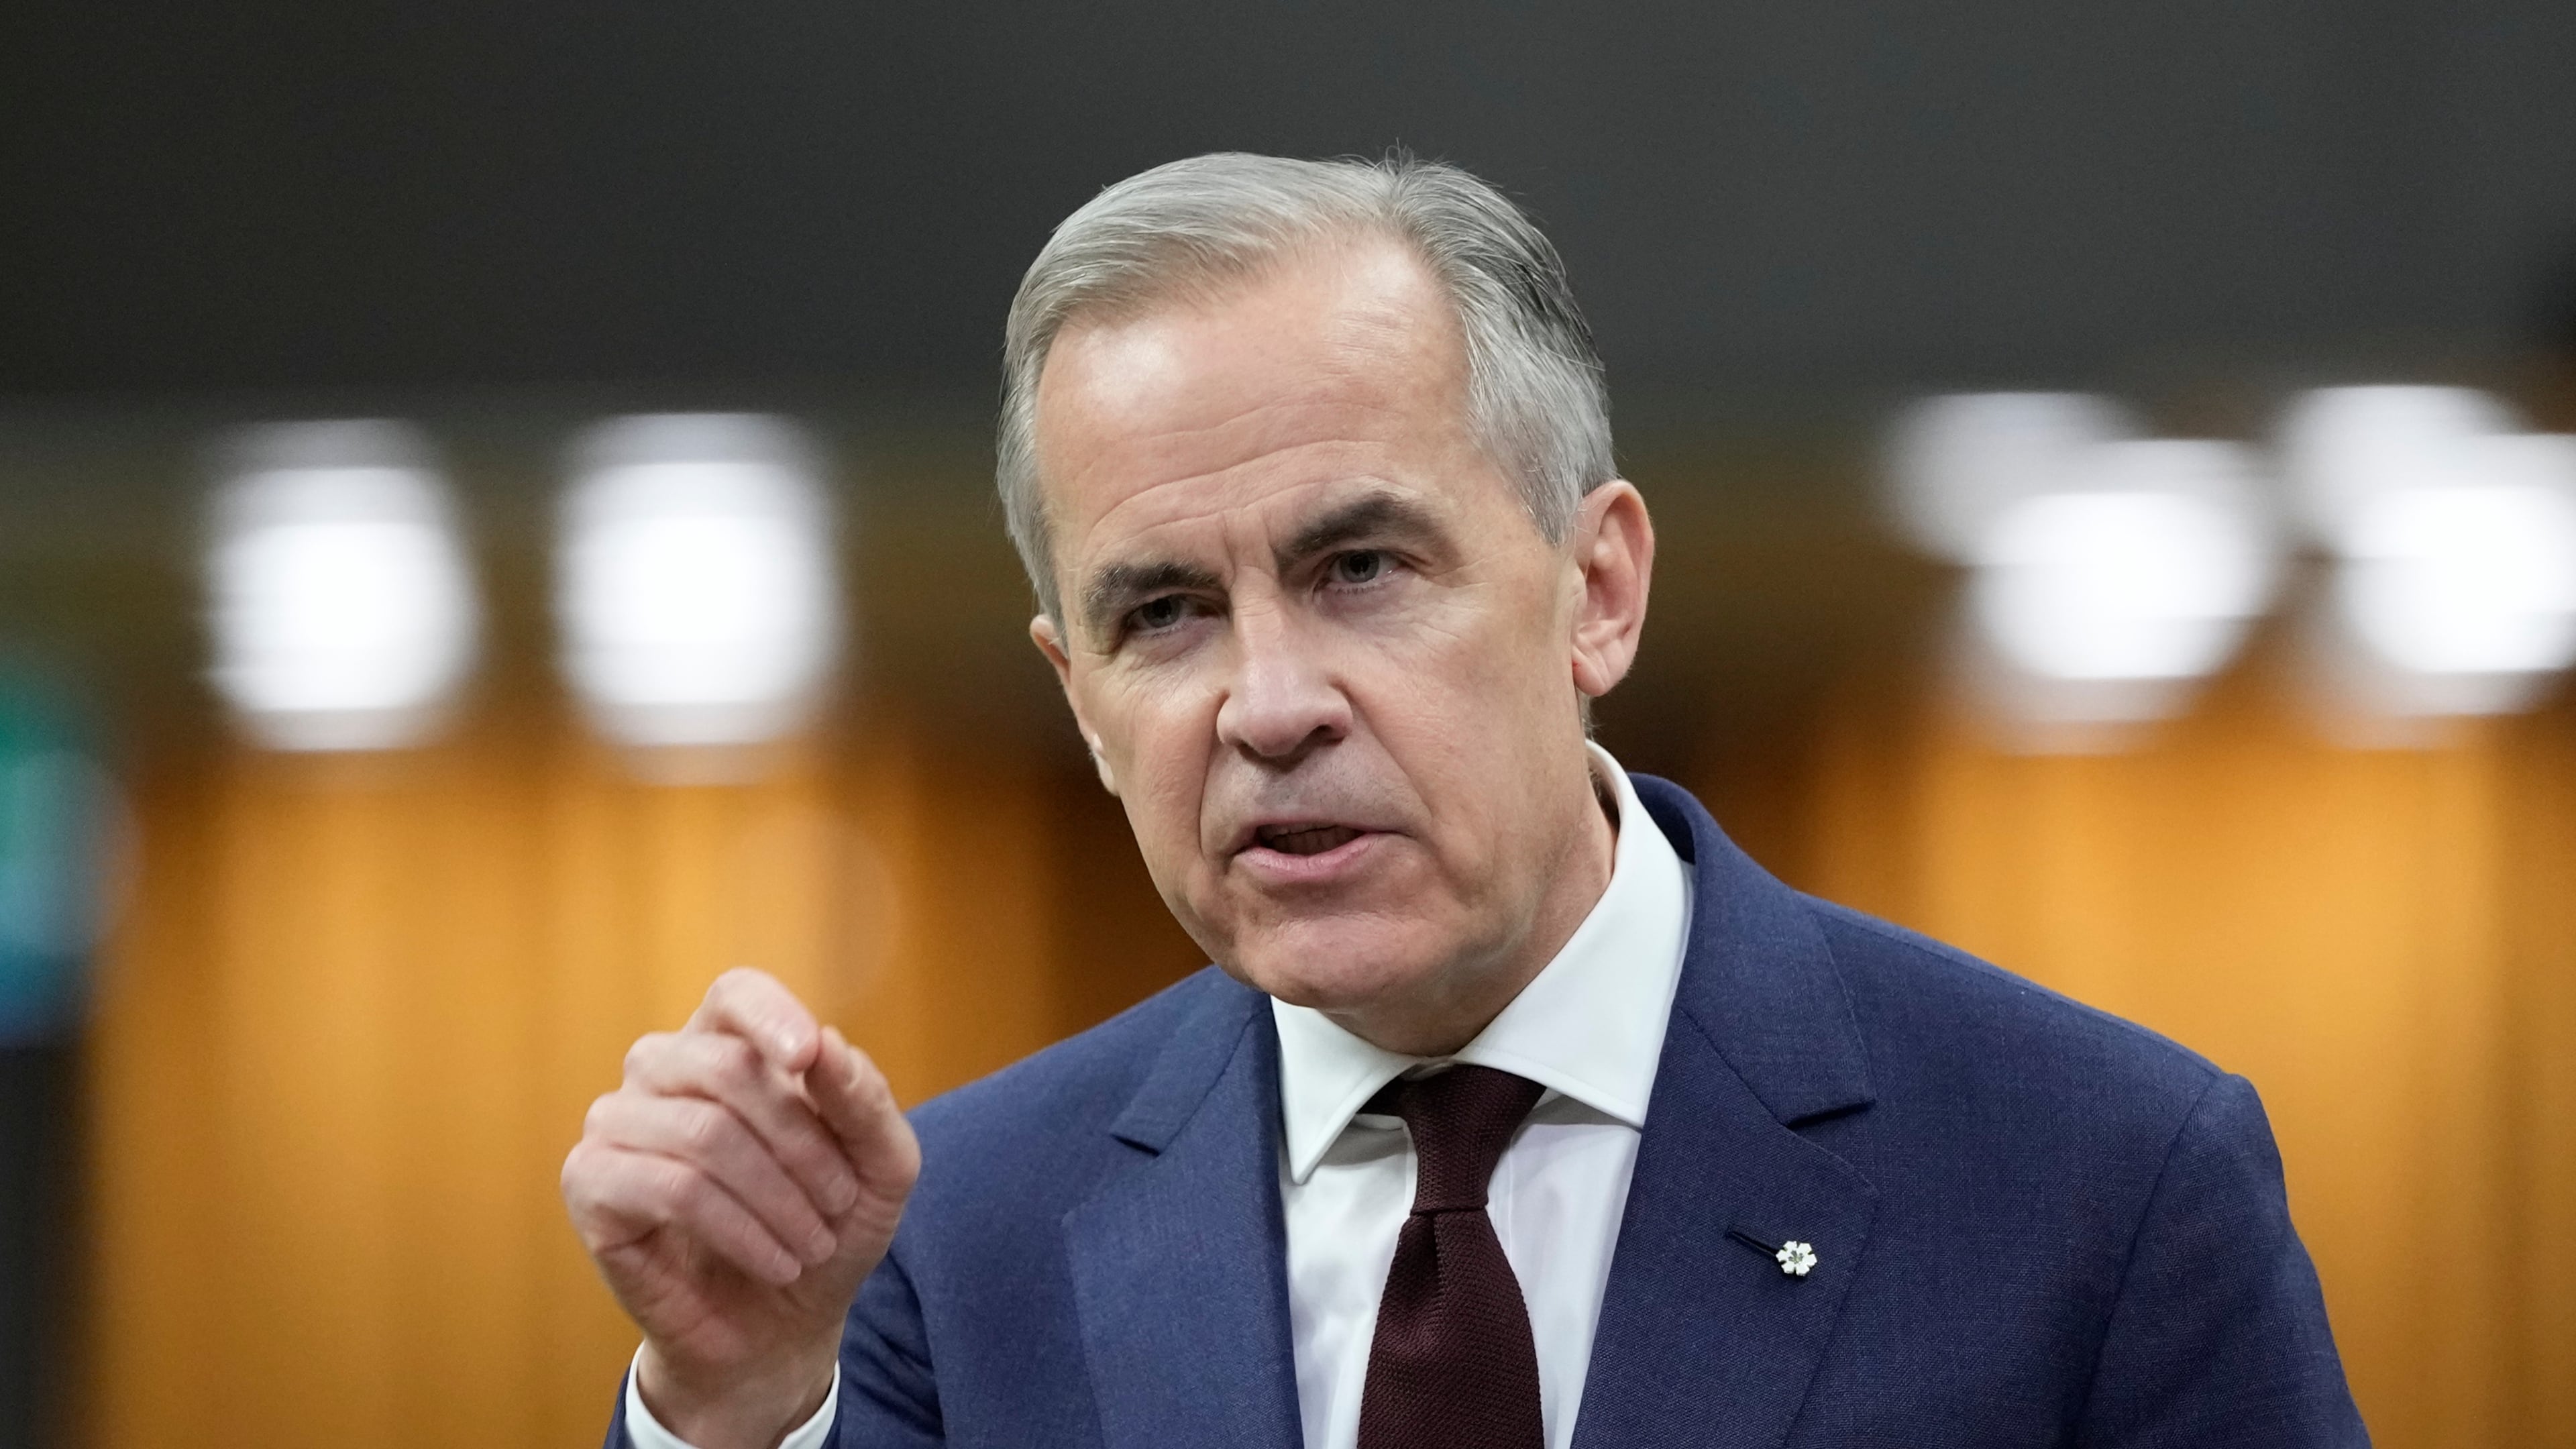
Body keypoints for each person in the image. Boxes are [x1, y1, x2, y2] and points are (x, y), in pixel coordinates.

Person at [561, 153, 2367, 1449]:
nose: (1268, 705)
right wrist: (736, 1418)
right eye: (1164, 614)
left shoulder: (2097, 1187)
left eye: (1359, 567)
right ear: (1082, 704)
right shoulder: (949, 1245)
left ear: (1597, 589)